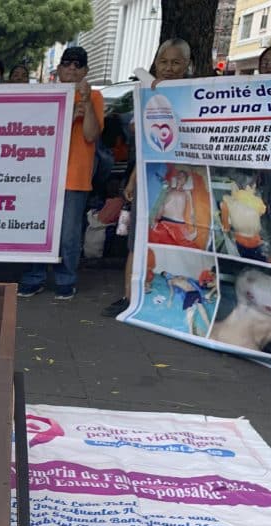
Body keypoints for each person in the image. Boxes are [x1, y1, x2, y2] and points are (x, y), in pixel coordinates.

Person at [103, 38, 192, 317]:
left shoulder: (195, 94)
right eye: (163, 62)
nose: (169, 68)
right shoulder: (145, 94)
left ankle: (173, 299)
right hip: (148, 176)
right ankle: (129, 298)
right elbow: (141, 141)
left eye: (176, 62)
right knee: (137, 239)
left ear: (187, 65)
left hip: (183, 179)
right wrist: (132, 180)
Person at [19, 46, 103, 300]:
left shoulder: (95, 96)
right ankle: (34, 276)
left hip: (75, 175)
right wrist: (68, 115)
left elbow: (91, 134)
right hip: (42, 175)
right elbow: (33, 131)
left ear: (86, 70)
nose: (72, 69)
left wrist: (86, 104)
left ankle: (66, 279)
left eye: (78, 65)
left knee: (68, 234)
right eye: (67, 63)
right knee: (37, 229)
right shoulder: (46, 94)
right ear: (59, 68)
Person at [162, 271, 216, 336]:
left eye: (167, 272)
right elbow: (172, 291)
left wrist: (182, 277)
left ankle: (210, 328)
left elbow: (188, 279)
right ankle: (191, 333)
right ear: (165, 277)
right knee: (190, 312)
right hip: (189, 294)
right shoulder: (170, 281)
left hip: (195, 292)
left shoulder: (178, 277)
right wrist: (170, 301)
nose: (167, 274)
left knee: (202, 311)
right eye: (165, 274)